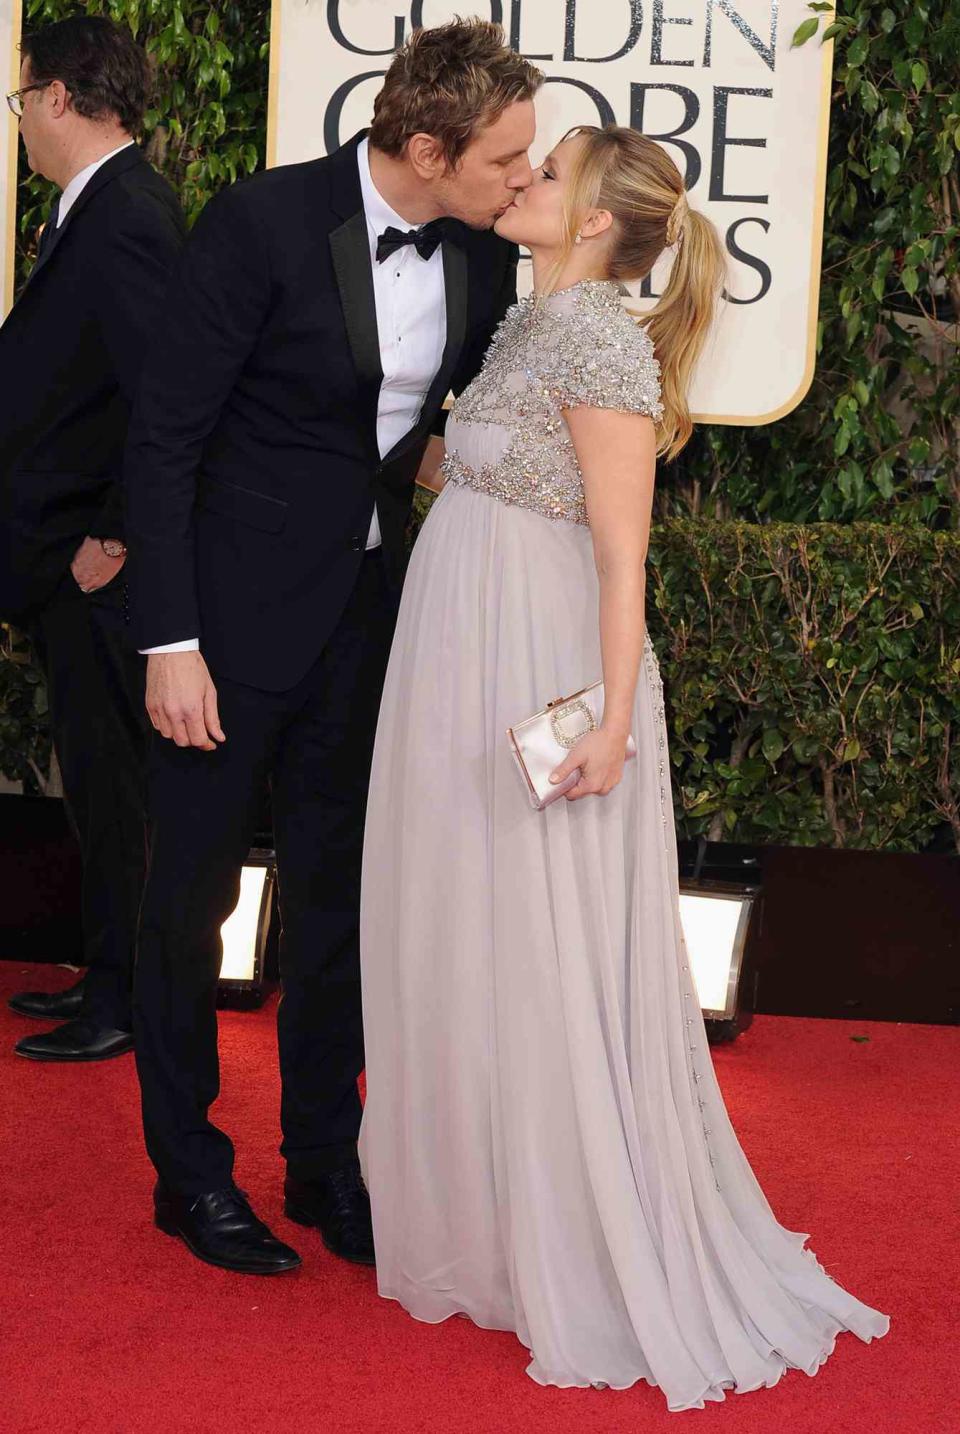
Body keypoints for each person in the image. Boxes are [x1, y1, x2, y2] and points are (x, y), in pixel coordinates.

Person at [358, 125, 890, 1407]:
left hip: (537, 672)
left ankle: (576, 1230)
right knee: (470, 928)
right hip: (459, 658)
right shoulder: (532, 324)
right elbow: (481, 474)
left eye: (547, 175)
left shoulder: (597, 339)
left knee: (541, 949)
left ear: (593, 218)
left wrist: (608, 720)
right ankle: (490, 1218)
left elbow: (619, 553)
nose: (522, 181)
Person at [123, 21, 542, 1275]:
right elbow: (164, 438)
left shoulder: (479, 254)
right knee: (187, 905)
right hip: (224, 630)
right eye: (507, 160)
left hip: (371, 624)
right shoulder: (259, 224)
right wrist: (169, 640)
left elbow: (426, 428)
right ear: (427, 147)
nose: (524, 179)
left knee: (342, 903)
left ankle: (324, 1165)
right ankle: (188, 1174)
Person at [0, 17, 185, 1060]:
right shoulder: (99, 210)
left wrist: (112, 537)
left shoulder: (126, 218)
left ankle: (125, 998)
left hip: (97, 566)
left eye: (24, 99)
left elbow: (165, 396)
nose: (22, 120)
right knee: (97, 779)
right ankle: (106, 974)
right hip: (64, 556)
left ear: (61, 97)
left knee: (117, 787)